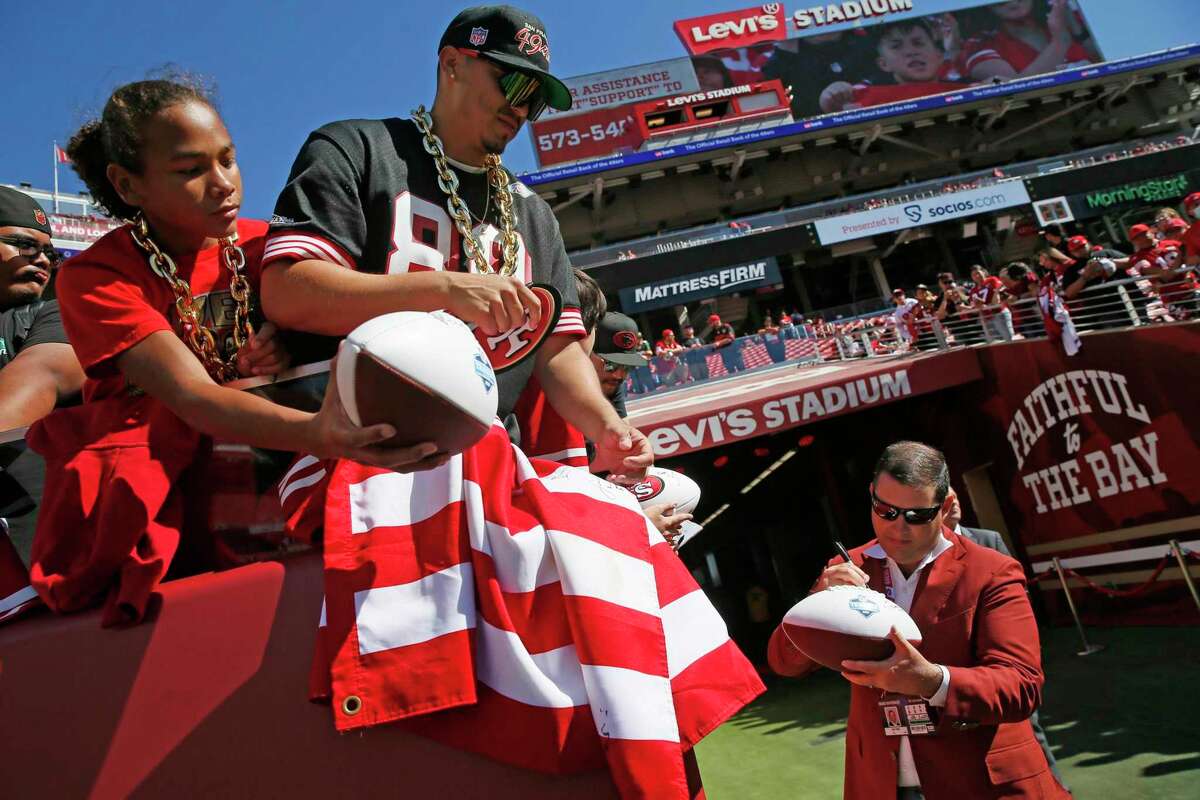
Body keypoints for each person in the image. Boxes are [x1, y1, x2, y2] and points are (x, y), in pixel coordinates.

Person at [259, 10, 759, 793]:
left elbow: (559, 347)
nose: (524, 106)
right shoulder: (357, 146)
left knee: (624, 524)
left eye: (539, 95)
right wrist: (440, 291)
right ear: (452, 64)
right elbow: (287, 288)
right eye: (510, 81)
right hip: (366, 447)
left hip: (493, 459)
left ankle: (636, 746)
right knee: (586, 536)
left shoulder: (530, 209)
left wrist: (607, 426)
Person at [27, 78, 425, 627]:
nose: (224, 185)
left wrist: (290, 339)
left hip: (270, 474)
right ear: (127, 184)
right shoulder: (95, 274)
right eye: (191, 171)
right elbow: (191, 397)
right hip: (160, 498)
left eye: (229, 160)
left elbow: (337, 327)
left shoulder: (271, 244)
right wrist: (318, 433)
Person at [767, 441, 1068, 800]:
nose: (898, 527)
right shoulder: (846, 570)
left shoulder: (992, 571)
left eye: (917, 516)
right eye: (885, 510)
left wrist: (932, 681)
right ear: (871, 495)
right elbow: (784, 663)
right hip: (881, 782)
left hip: (979, 782)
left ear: (944, 508)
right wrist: (815, 601)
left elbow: (1022, 686)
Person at [943, 488, 1068, 791]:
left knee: (1030, 728)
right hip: (961, 672)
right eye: (947, 498)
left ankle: (1056, 788)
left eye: (956, 495)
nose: (955, 501)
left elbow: (1016, 597)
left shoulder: (989, 540)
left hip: (1002, 660)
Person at [0, 187, 85, 431]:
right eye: (26, 246)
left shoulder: (60, 314)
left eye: (50, 253)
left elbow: (45, 376)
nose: (43, 260)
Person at [819, 19, 965, 113]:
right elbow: (833, 103)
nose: (910, 52)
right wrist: (832, 94)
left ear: (939, 56)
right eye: (896, 46)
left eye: (918, 43)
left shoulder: (971, 88)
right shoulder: (868, 93)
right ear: (884, 64)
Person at [965, 264, 1013, 342]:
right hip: (986, 318)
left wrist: (986, 305)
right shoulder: (973, 290)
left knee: (1008, 339)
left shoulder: (992, 280)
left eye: (978, 273)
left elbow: (998, 297)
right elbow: (974, 308)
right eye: (973, 275)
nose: (976, 276)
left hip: (998, 313)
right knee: (995, 343)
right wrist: (972, 307)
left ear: (983, 272)